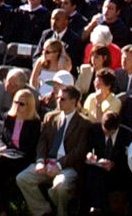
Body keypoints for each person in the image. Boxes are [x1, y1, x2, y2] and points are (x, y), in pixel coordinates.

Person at [21, 84, 92, 216]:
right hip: (48, 162)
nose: (58, 101)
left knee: (60, 188)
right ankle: (43, 211)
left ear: (74, 102)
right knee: (23, 178)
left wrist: (59, 165)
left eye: (62, 99)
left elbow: (79, 151)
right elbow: (42, 141)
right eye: (58, 98)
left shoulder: (84, 124)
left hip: (68, 166)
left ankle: (61, 213)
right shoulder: (50, 117)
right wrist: (41, 160)